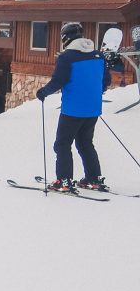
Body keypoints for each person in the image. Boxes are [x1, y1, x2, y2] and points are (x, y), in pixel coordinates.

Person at [36, 22, 112, 192]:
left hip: (72, 110)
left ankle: (64, 181)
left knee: (62, 144)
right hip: (93, 109)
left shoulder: (67, 57)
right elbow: (106, 81)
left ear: (65, 38)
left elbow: (59, 81)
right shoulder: (98, 55)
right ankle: (93, 179)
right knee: (85, 143)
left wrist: (43, 92)